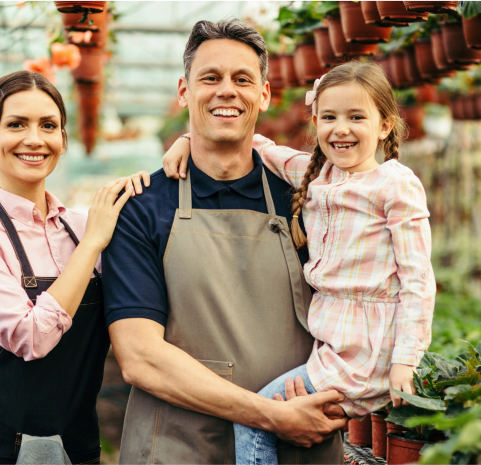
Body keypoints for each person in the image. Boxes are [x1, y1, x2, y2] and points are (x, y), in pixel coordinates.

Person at [162, 60, 436, 465]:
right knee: (280, 422)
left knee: (255, 417)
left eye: (356, 117)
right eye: (329, 117)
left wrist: (404, 362)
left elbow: (418, 281)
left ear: (384, 126)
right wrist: (188, 139)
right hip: (334, 347)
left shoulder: (395, 185)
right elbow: (263, 148)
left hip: (367, 352)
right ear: (315, 122)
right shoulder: (318, 176)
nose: (340, 129)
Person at [102, 19, 347, 465]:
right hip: (178, 447)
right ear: (184, 91)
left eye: (242, 79)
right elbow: (139, 357)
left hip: (298, 444)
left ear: (265, 94)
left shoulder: (308, 204)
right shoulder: (141, 208)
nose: (226, 91)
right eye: (210, 78)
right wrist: (272, 416)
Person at [0, 70, 149, 464]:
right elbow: (29, 338)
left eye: (48, 125)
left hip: (76, 440)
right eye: (16, 124)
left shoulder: (85, 226)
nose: (34, 138)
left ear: (62, 140)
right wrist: (92, 245)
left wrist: (184, 150)